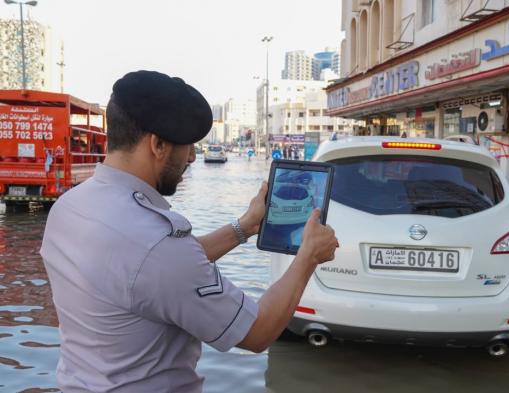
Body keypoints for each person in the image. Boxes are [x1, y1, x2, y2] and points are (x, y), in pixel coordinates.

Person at [40, 70, 339, 393]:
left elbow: (143, 273)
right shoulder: (156, 246)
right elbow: (258, 332)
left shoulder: (70, 207)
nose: (193, 158)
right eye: (188, 146)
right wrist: (308, 255)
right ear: (157, 145)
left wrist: (245, 227)